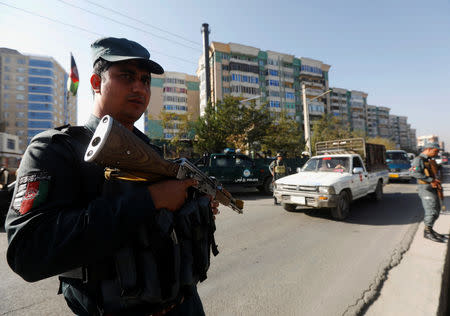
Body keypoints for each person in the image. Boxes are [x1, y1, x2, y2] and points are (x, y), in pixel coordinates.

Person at [5, 37, 219, 315]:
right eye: (126, 76)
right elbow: (27, 251)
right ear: (96, 83)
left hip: (186, 305)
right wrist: (149, 200)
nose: (139, 87)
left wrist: (193, 207)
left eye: (145, 80)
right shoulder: (56, 149)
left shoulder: (153, 154)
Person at [410, 143, 446, 243]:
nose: (437, 153)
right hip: (425, 189)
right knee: (431, 210)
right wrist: (430, 180)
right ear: (429, 149)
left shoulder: (427, 160)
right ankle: (427, 232)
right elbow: (413, 172)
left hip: (432, 188)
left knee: (436, 210)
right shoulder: (418, 159)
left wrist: (437, 167)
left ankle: (430, 229)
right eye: (436, 151)